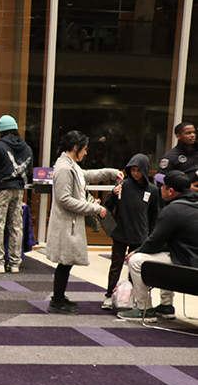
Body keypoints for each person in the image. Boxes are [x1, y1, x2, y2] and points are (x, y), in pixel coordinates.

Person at [45, 130, 121, 314]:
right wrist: (95, 208)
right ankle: (56, 301)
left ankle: (59, 297)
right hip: (65, 224)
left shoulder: (69, 165)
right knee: (65, 262)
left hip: (69, 223)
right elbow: (64, 200)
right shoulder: (64, 168)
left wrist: (111, 173)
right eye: (85, 149)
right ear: (76, 148)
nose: (87, 153)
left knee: (67, 262)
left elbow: (86, 176)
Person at [117, 171, 198, 322]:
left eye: (162, 186)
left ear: (171, 191)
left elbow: (155, 241)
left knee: (136, 260)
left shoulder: (173, 210)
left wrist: (135, 252)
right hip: (190, 264)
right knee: (168, 255)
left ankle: (144, 309)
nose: (160, 188)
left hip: (189, 270)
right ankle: (166, 306)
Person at [100, 153, 159, 310]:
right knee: (116, 265)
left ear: (145, 170)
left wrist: (151, 234)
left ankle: (132, 297)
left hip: (139, 234)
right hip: (120, 232)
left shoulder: (152, 190)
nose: (135, 173)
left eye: (139, 170)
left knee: (134, 267)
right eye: (133, 170)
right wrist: (114, 193)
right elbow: (108, 205)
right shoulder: (123, 185)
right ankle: (108, 295)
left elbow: (153, 215)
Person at [0, 115, 33, 273]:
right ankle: (14, 262)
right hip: (19, 189)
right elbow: (29, 170)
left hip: (1, 189)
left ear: (1, 131)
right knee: (16, 225)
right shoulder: (27, 148)